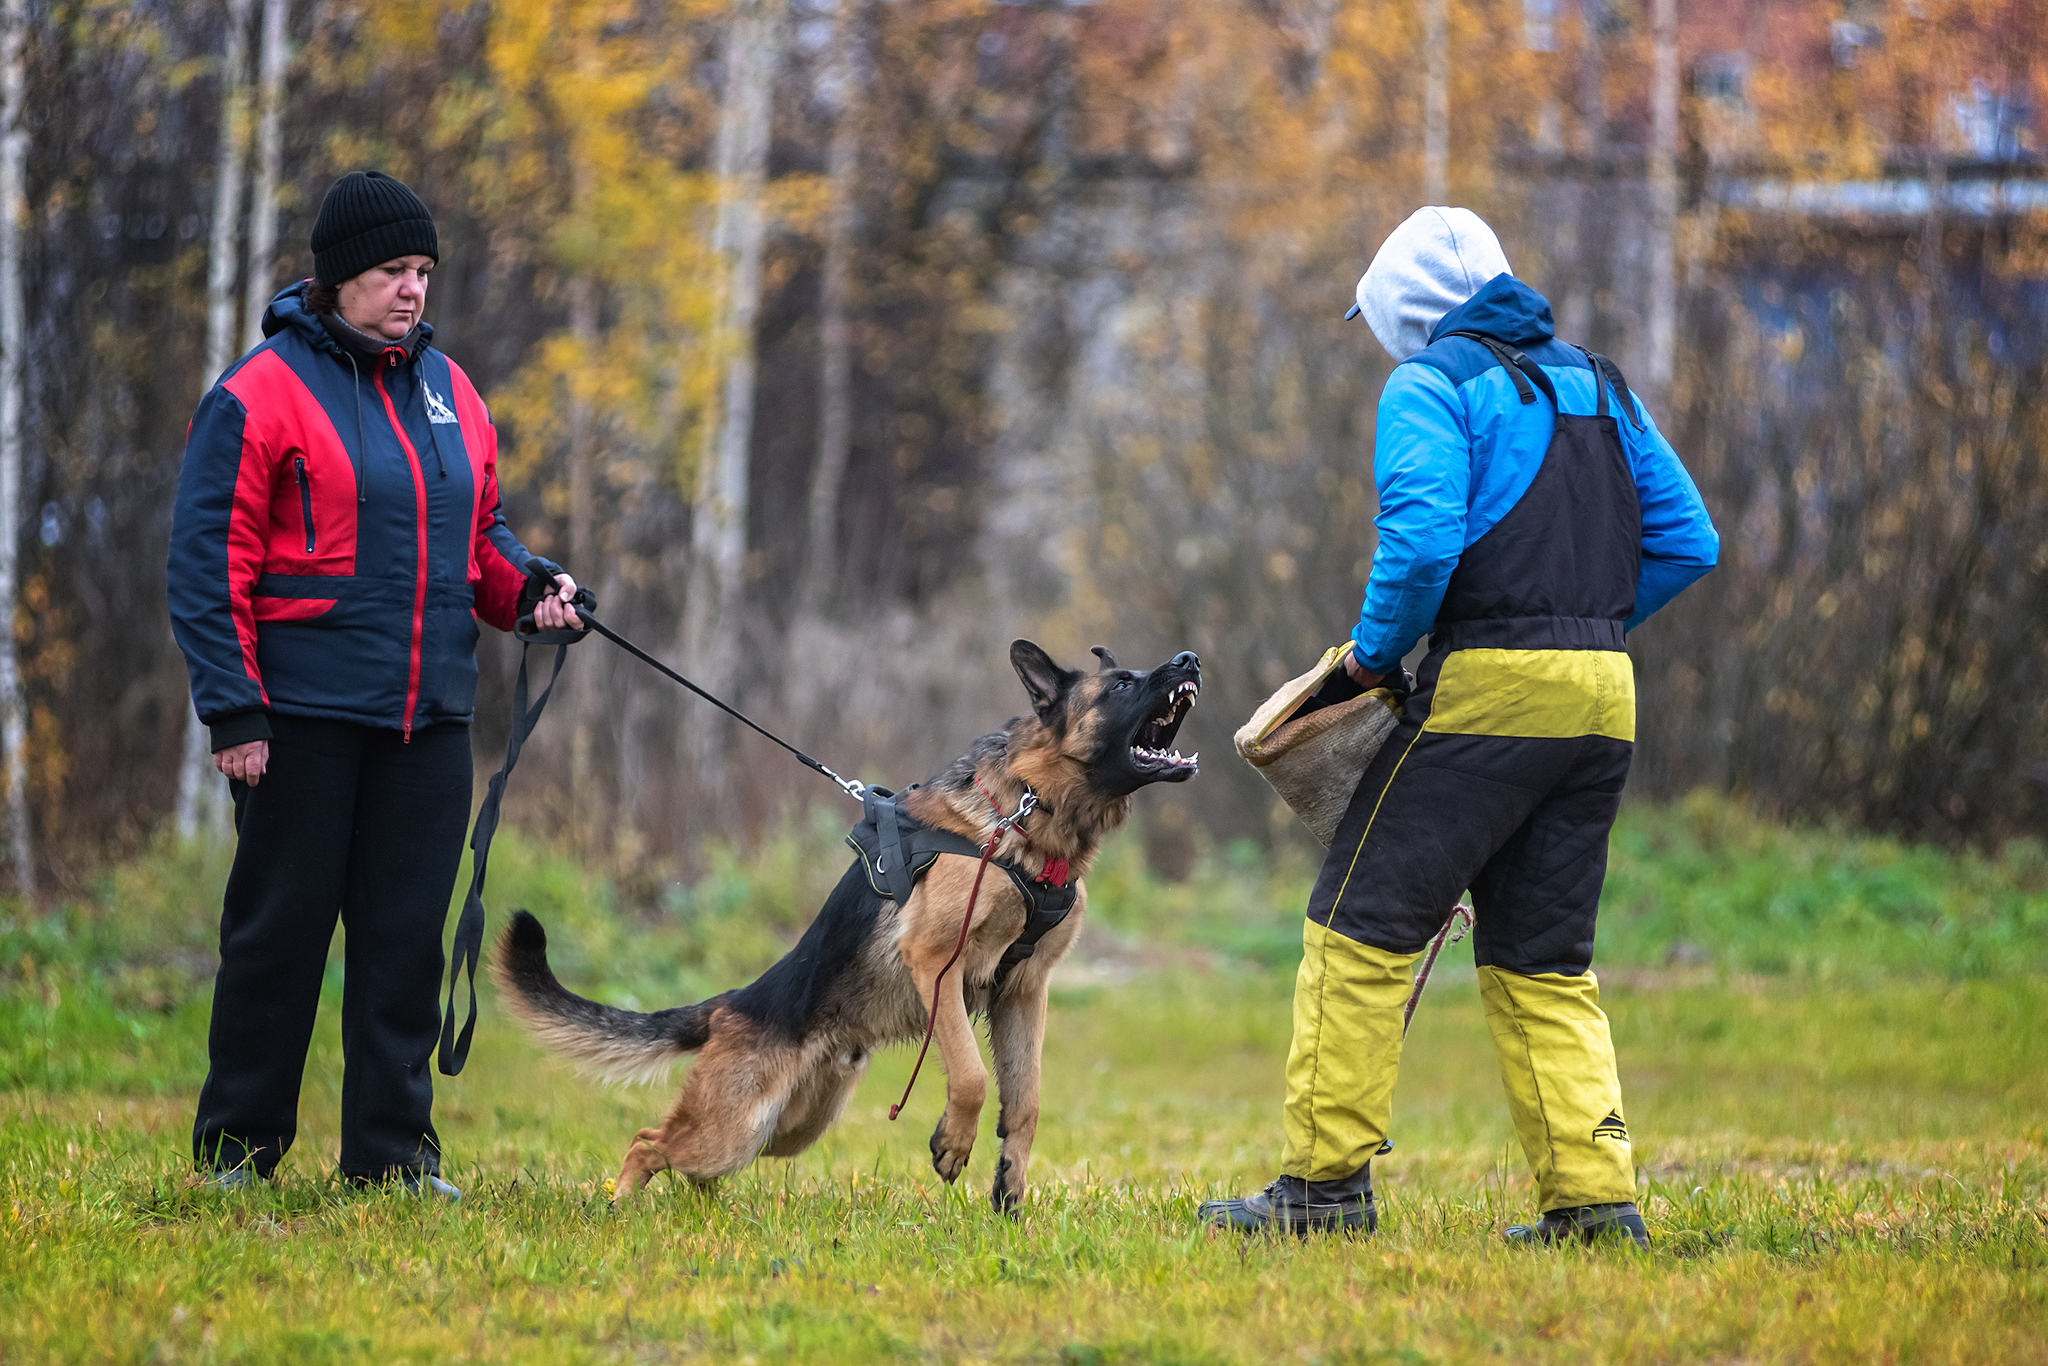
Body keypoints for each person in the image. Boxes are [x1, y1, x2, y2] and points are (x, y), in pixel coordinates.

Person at [1200, 208, 1719, 1244]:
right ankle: (1591, 1202)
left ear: (1401, 310)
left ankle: (1321, 1188)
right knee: (1543, 956)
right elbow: (1686, 540)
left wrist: (1370, 657)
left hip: (1486, 688)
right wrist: (1581, 625)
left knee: (1355, 923)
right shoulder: (1600, 382)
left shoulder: (1428, 386)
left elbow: (1422, 544)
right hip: (1601, 695)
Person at [168, 170, 585, 1196]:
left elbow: (478, 534)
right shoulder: (258, 393)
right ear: (340, 275)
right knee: (278, 942)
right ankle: (237, 1150)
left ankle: (391, 1157)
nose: (412, 290)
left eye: (423, 272)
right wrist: (235, 710)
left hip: (429, 721)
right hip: (300, 720)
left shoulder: (450, 392)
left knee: (403, 948)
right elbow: (205, 560)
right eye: (394, 271)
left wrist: (529, 589)